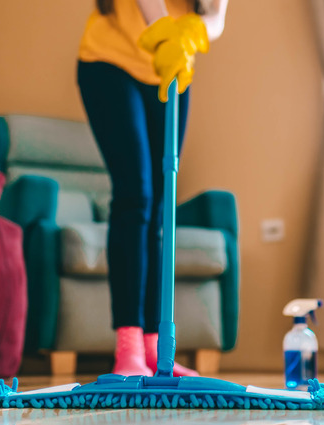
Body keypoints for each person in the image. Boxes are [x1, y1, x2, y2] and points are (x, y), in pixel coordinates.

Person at [76, 0, 229, 377]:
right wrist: (167, 33)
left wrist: (192, 36)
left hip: (171, 68)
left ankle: (154, 349)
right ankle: (128, 348)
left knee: (160, 205)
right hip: (109, 63)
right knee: (135, 194)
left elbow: (216, 16)